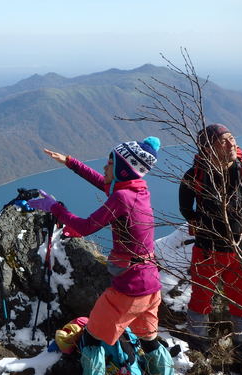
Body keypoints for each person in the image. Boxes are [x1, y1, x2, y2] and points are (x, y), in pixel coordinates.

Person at [28, 137, 174, 375]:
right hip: (150, 286)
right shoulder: (138, 190)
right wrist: (71, 162)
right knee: (149, 341)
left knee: (93, 339)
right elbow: (103, 183)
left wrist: (53, 206)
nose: (105, 168)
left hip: (129, 288)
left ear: (122, 170)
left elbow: (85, 227)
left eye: (109, 163)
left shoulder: (122, 198)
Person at [179, 124, 242, 369]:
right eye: (223, 142)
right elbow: (186, 207)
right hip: (208, 248)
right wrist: (199, 223)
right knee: (201, 298)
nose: (232, 145)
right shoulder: (195, 174)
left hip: (241, 248)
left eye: (232, 138)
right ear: (209, 149)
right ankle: (200, 349)